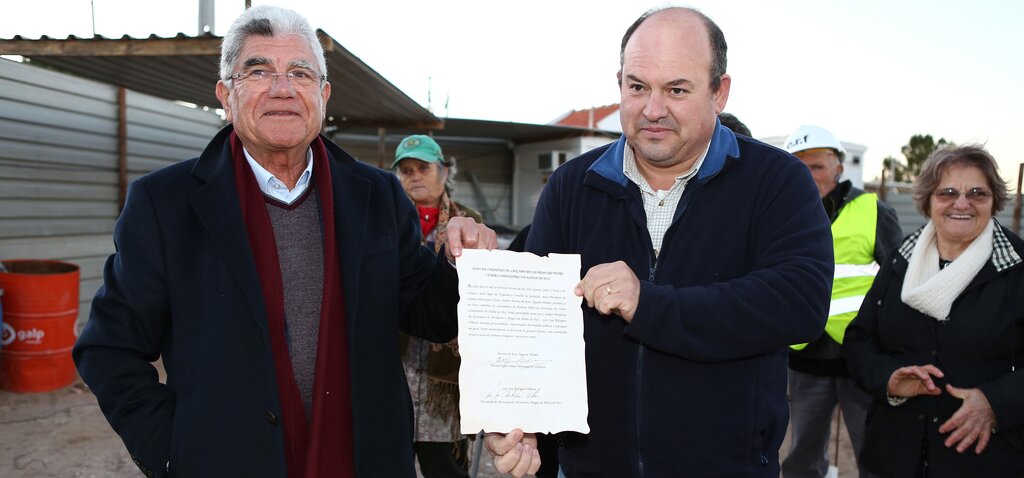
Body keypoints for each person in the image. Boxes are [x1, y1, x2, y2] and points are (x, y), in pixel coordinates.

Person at [71, 6, 496, 478]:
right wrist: (172, 451)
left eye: (300, 72)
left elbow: (427, 311)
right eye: (258, 71)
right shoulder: (164, 203)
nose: (282, 87)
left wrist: (459, 263)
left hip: (365, 461)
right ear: (225, 96)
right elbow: (108, 348)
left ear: (323, 94)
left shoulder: (375, 194)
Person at [485, 6, 834, 477]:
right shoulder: (571, 187)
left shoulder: (776, 181)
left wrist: (648, 305)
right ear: (620, 83)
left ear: (719, 92)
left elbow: (799, 304)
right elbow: (532, 328)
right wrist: (521, 423)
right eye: (637, 87)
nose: (652, 109)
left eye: (676, 89)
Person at [845, 145, 1024, 477]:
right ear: (928, 199)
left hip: (988, 459)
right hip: (894, 455)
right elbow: (859, 340)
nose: (961, 203)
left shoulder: (1017, 266)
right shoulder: (900, 259)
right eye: (948, 192)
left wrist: (996, 403)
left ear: (994, 201)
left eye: (977, 193)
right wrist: (888, 379)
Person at [781, 125, 903, 478]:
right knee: (802, 453)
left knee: (871, 450)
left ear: (838, 168)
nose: (809, 176)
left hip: (859, 359)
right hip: (805, 357)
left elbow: (896, 281)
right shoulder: (781, 214)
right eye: (800, 168)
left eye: (817, 166)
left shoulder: (872, 210)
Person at [392, 134, 481, 478]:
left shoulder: (469, 222)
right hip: (396, 365)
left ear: (444, 171)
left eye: (423, 168)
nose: (414, 176)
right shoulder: (388, 223)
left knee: (442, 465)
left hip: (444, 378)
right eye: (406, 170)